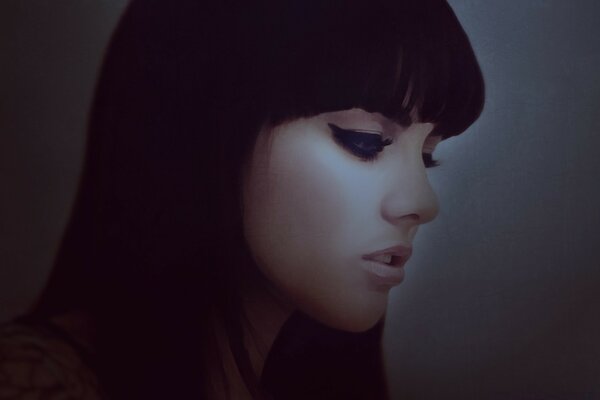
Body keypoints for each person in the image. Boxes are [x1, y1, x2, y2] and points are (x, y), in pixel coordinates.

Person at [0, 0, 484, 398]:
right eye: (364, 141)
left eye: (428, 155)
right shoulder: (33, 382)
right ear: (204, 128)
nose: (422, 201)